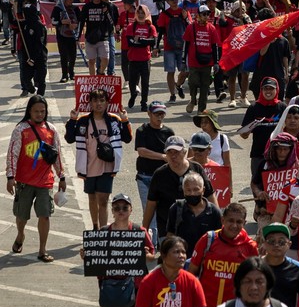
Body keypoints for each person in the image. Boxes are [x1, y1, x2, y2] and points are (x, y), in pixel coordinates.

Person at [6, 95, 65, 262]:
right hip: (24, 182)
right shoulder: (20, 130)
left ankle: (42, 250)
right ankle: (20, 235)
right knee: (22, 216)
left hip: (45, 181)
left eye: (42, 111)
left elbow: (57, 155)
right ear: (29, 112)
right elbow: (12, 154)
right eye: (36, 111)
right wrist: (10, 176)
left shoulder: (52, 130)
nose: (40, 114)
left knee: (44, 215)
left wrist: (61, 176)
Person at [65, 89, 132, 229]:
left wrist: (125, 120)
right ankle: (95, 226)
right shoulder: (83, 120)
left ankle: (102, 230)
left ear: (107, 103)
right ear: (90, 103)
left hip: (107, 166)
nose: (98, 104)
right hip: (88, 166)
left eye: (102, 100)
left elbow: (127, 138)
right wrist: (72, 120)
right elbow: (69, 138)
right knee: (92, 198)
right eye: (95, 100)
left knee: (103, 200)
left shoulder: (114, 120)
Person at [91, 193, 156, 307]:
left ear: (131, 210)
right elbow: (96, 259)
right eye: (117, 208)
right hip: (110, 286)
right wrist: (88, 256)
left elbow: (152, 256)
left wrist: (145, 255)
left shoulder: (139, 231)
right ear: (112, 211)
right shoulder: (103, 232)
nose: (121, 211)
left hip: (135, 287)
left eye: (125, 208)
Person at [142, 135, 216, 246]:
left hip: (195, 228)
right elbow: (151, 204)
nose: (173, 156)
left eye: (176, 152)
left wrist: (217, 222)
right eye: (169, 152)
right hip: (167, 230)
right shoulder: (159, 174)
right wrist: (144, 231)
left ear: (184, 152)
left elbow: (210, 196)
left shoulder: (197, 169)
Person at [189, 203, 260, 307]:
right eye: (230, 221)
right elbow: (191, 273)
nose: (234, 225)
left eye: (239, 222)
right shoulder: (208, 239)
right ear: (222, 220)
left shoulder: (250, 247)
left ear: (244, 223)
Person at [136, 236, 209, 307]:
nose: (181, 256)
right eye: (176, 252)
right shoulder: (148, 282)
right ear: (164, 255)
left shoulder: (192, 281)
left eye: (183, 252)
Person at [207, 256, 297, 307]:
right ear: (239, 285)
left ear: (268, 285)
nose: (254, 287)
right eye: (247, 281)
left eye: (259, 282)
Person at [133, 101, 174, 244]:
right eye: (157, 114)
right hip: (145, 177)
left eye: (162, 114)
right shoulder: (142, 130)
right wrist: (162, 156)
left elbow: (173, 152)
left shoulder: (169, 133)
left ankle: (160, 242)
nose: (159, 117)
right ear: (149, 114)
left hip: (163, 178)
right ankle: (152, 244)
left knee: (163, 211)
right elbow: (142, 151)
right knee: (149, 211)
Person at [166, 171, 222, 256]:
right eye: (188, 190)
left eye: (196, 189)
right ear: (183, 191)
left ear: (203, 190)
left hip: (206, 259)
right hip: (182, 259)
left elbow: (220, 238)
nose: (192, 193)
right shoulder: (176, 209)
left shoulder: (214, 212)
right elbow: (170, 235)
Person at [241, 78, 288, 175]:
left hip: (279, 154)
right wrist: (247, 131)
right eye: (265, 88)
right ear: (261, 90)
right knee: (257, 182)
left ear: (277, 90)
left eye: (271, 88)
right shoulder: (253, 108)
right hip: (258, 154)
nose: (268, 91)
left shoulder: (283, 107)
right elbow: (243, 135)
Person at [252, 132, 298, 229]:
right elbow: (254, 183)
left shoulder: (297, 167)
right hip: (266, 212)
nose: (282, 152)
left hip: (289, 213)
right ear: (274, 149)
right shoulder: (264, 165)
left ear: (290, 150)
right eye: (279, 149)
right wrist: (259, 192)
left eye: (285, 149)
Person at [183, 4, 221, 114]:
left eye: (208, 14)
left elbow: (215, 46)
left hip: (207, 62)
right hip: (194, 62)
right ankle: (193, 99)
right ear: (198, 15)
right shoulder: (191, 27)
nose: (206, 16)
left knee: (205, 87)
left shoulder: (211, 28)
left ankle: (201, 110)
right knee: (192, 82)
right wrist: (183, 60)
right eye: (204, 14)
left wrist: (216, 62)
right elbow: (186, 44)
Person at [157, 0, 191, 103]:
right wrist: (156, 47)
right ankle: (172, 94)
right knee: (170, 71)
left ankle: (178, 85)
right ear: (167, 1)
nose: (174, 1)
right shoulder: (164, 14)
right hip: (169, 46)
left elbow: (190, 27)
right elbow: (160, 31)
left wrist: (186, 18)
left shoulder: (184, 12)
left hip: (183, 46)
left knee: (185, 71)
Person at [77, 0, 114, 75]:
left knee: (106, 59)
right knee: (91, 61)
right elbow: (81, 22)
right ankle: (93, 79)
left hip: (103, 37)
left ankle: (100, 72)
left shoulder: (107, 6)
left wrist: (106, 12)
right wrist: (78, 36)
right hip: (90, 38)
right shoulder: (87, 7)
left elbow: (111, 22)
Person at [50, 0, 80, 82]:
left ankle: (71, 72)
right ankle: (64, 75)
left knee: (73, 55)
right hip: (61, 36)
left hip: (73, 35)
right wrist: (61, 22)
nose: (71, 1)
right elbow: (53, 22)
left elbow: (80, 21)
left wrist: (75, 26)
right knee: (64, 55)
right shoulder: (58, 8)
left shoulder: (75, 8)